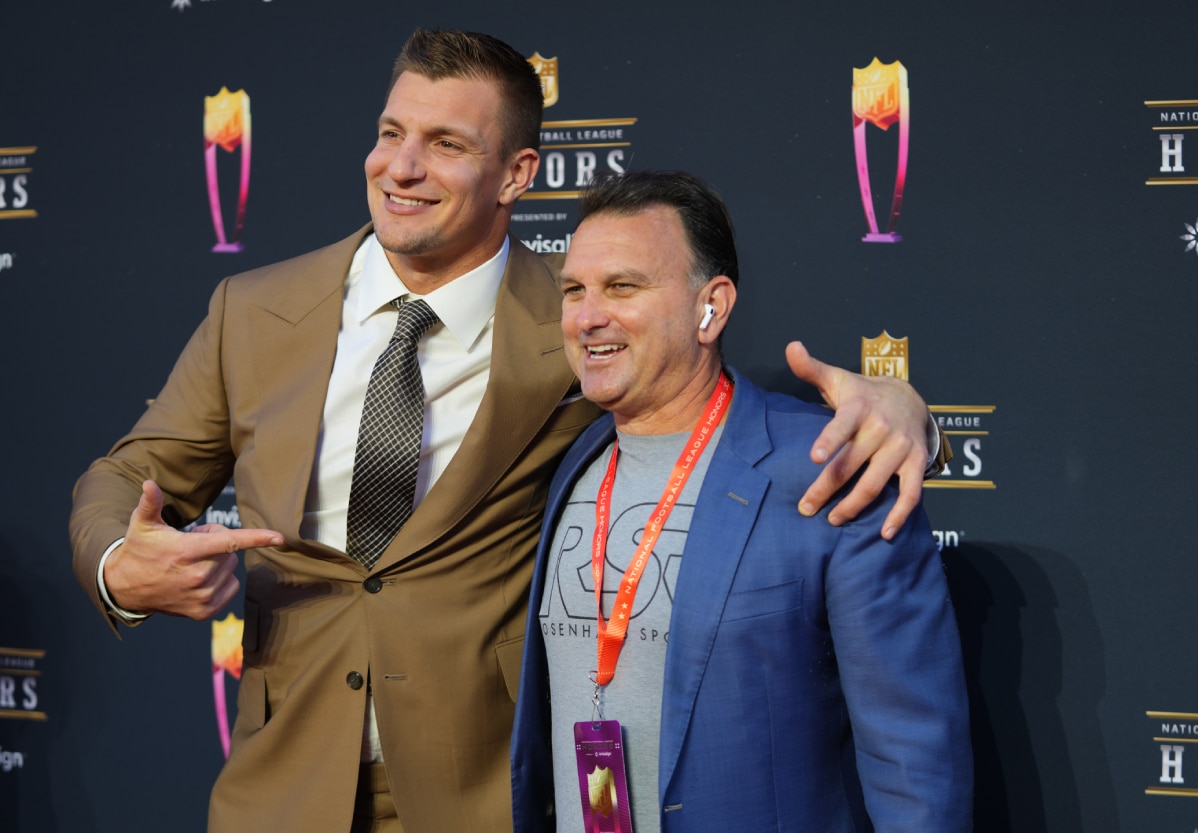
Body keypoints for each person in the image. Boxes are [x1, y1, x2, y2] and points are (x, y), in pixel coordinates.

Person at [69, 29, 944, 833]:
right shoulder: (254, 311)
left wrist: (908, 415)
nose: (402, 167)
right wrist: (117, 561)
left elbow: (700, 398)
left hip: (486, 794)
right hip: (283, 785)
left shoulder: (577, 322)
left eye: (447, 145)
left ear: (519, 174)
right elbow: (129, 471)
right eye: (390, 132)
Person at [510, 170, 972, 833]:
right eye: (575, 290)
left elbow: (915, 757)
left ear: (712, 307)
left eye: (623, 286)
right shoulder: (573, 459)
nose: (587, 317)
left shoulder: (827, 465)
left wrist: (914, 418)